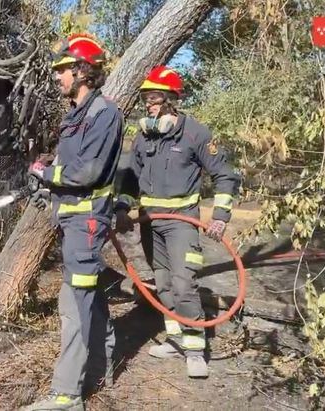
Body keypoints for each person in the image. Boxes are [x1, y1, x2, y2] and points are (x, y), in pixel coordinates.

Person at [114, 66, 241, 378]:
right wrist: (121, 208)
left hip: (182, 223)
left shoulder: (196, 133)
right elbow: (131, 180)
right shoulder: (144, 137)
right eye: (146, 98)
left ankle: (195, 350)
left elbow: (226, 175)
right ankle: (175, 339)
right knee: (165, 285)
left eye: (154, 97)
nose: (148, 104)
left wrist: (221, 217)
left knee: (184, 285)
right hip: (150, 223)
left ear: (172, 99)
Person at [25, 33, 124, 410]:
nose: (57, 77)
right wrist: (48, 177)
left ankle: (67, 395)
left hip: (86, 223)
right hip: (73, 220)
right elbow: (72, 169)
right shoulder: (77, 115)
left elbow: (88, 172)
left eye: (63, 69)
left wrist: (48, 175)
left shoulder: (104, 113)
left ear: (83, 71)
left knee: (73, 303)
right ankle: (106, 362)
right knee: (91, 297)